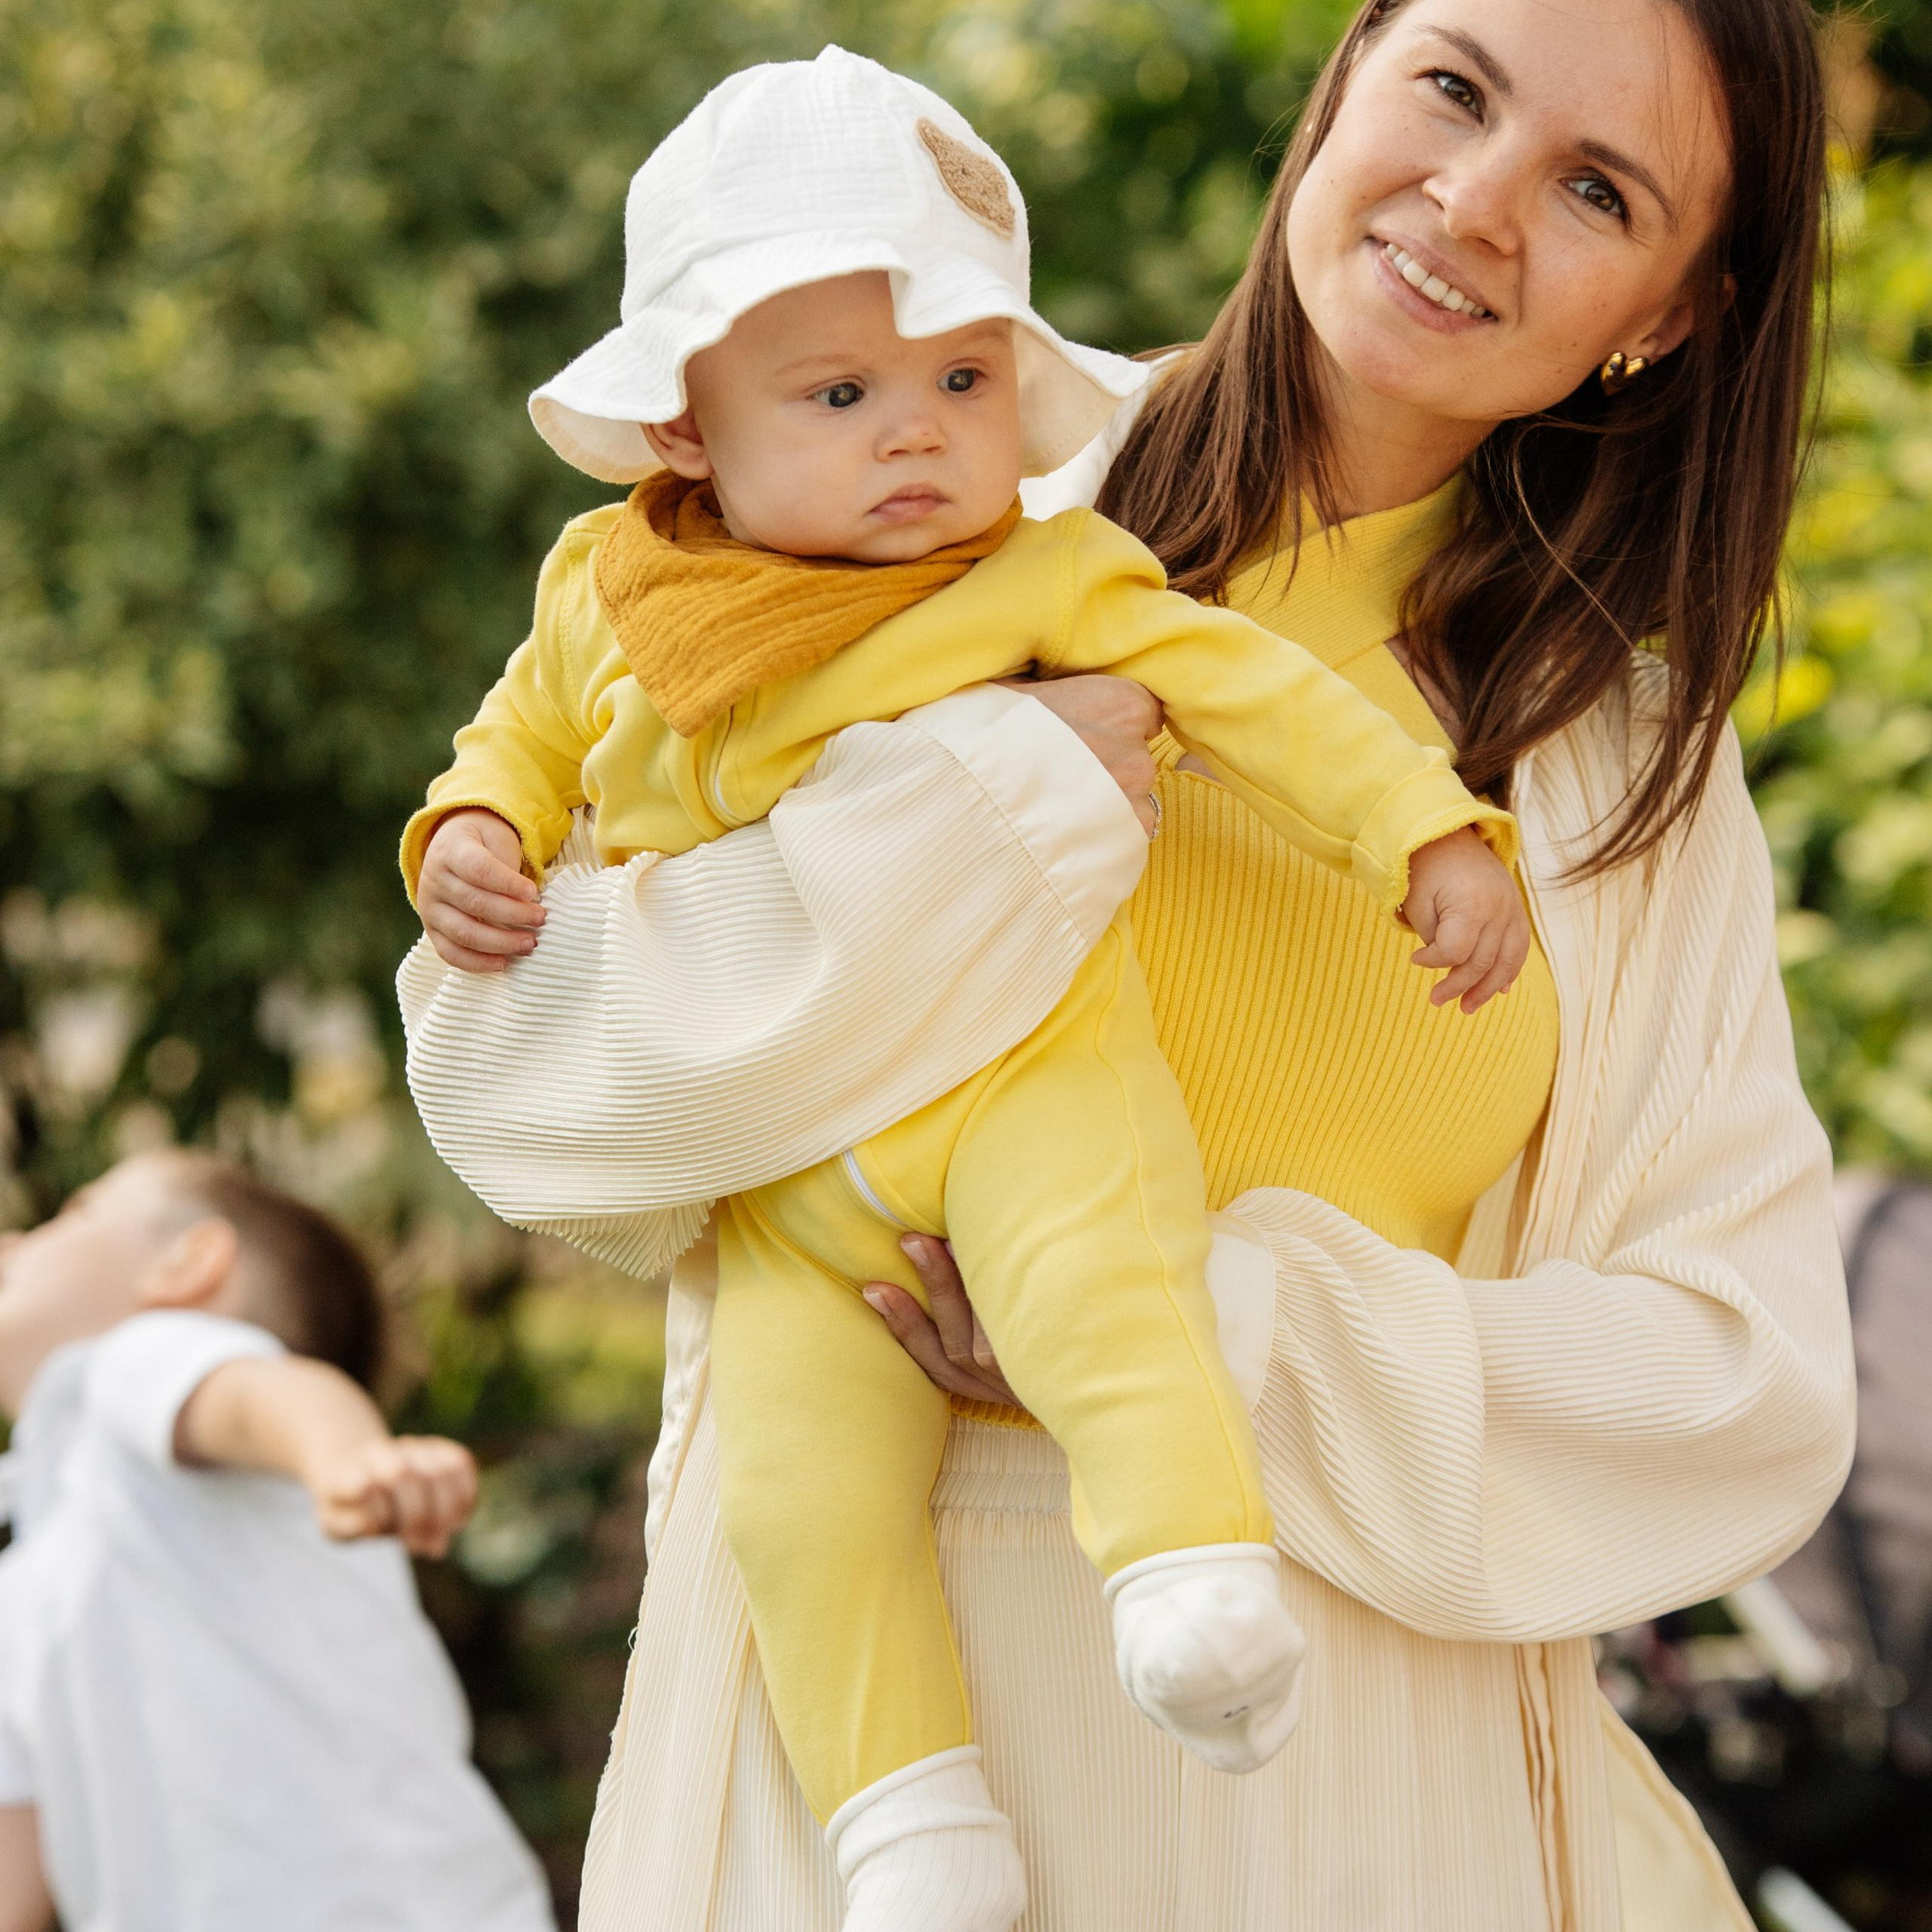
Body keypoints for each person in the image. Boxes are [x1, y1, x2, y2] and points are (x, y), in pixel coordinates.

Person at [399, 0, 1859, 1925]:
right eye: (1450, 88)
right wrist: (981, 812)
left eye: (1595, 187)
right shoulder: (906, 478)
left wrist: (1212, 1321)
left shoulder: (1616, 765)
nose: (1475, 203)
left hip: (1348, 1799)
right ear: (1340, 82)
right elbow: (507, 1077)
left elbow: (1737, 1383)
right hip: (856, 1786)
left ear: (1664, 308)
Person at [0, 1151, 555, 1932]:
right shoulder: (31, 1572)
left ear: (187, 1264)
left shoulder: (129, 1366)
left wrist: (347, 1458)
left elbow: (274, 1397)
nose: (17, 1239)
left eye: (76, 1211)